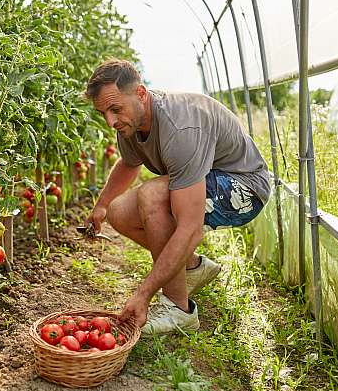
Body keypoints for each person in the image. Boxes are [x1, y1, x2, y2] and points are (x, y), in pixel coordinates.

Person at [84, 59, 271, 334]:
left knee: (152, 196)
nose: (110, 121)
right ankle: (192, 267)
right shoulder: (131, 122)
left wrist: (143, 294)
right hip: (212, 180)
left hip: (244, 189)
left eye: (115, 109)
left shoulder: (179, 127)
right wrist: (101, 206)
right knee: (118, 211)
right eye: (104, 113)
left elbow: (190, 228)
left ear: (140, 94)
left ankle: (178, 308)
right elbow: (129, 162)